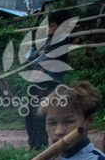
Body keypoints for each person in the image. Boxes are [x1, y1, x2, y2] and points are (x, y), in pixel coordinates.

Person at [25, 9, 72, 151]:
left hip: (49, 83)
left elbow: (48, 58)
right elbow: (31, 54)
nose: (48, 28)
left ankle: (40, 147)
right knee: (30, 114)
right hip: (38, 83)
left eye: (52, 26)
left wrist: (41, 69)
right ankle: (33, 145)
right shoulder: (48, 41)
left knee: (40, 114)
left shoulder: (61, 40)